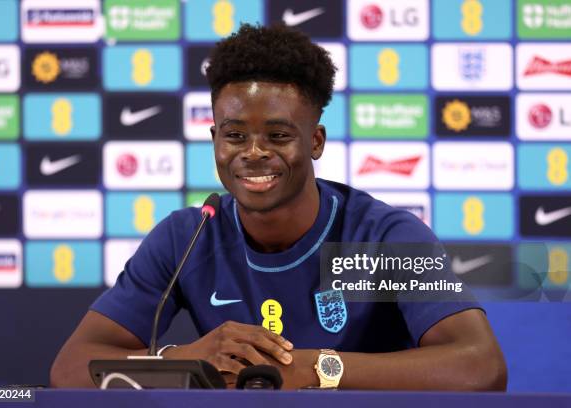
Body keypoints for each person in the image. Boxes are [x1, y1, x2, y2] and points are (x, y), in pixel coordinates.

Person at [50, 23, 506, 390]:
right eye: (234, 136)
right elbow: (70, 370)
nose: (252, 152)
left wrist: (315, 369)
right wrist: (186, 359)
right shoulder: (189, 236)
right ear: (215, 141)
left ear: (315, 141)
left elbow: (480, 368)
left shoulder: (377, 237)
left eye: (278, 135)